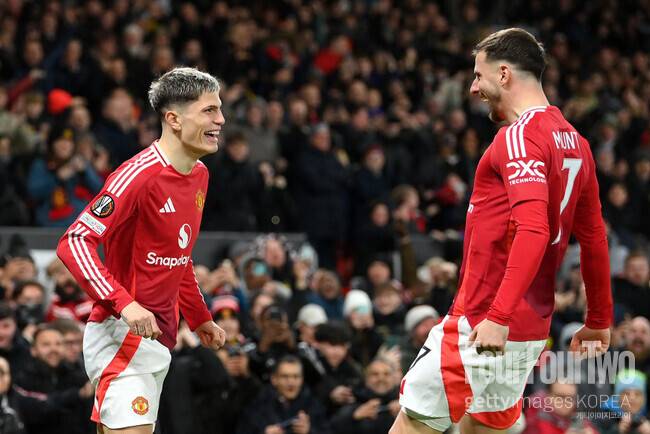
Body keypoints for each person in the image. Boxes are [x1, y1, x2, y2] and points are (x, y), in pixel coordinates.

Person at [392, 28, 613, 434]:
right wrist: (599, 317)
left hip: (483, 321)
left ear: (505, 74)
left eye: (479, 75)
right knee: (483, 428)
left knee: (414, 425)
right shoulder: (577, 143)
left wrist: (497, 315)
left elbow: (534, 229)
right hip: (528, 331)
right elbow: (595, 238)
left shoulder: (518, 136)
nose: (474, 88)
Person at [56, 67, 227, 434]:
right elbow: (74, 241)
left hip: (157, 340)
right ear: (174, 119)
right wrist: (125, 304)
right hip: (121, 335)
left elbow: (178, 255)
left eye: (220, 109)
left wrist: (198, 317)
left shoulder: (199, 175)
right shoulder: (137, 175)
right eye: (209, 110)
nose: (221, 120)